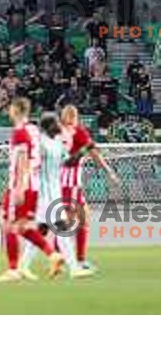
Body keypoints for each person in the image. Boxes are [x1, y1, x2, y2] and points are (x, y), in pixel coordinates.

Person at [0, 97, 64, 284]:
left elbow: (23, 159)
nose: (8, 111)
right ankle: (52, 255)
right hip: (34, 184)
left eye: (10, 108)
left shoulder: (20, 132)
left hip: (20, 184)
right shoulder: (33, 130)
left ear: (16, 110)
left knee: (8, 224)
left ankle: (13, 269)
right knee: (23, 227)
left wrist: (20, 186)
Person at [19, 114, 92, 279]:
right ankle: (74, 268)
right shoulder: (41, 144)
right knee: (62, 229)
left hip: (54, 193)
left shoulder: (58, 143)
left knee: (42, 230)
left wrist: (82, 151)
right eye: (55, 123)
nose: (59, 125)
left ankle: (23, 266)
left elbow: (68, 163)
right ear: (48, 126)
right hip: (43, 194)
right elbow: (32, 162)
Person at [60, 105, 119, 271]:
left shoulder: (56, 133)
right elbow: (95, 154)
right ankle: (77, 260)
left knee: (69, 221)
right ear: (75, 116)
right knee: (80, 221)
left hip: (58, 182)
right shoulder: (78, 132)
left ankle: (61, 258)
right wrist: (110, 173)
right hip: (71, 184)